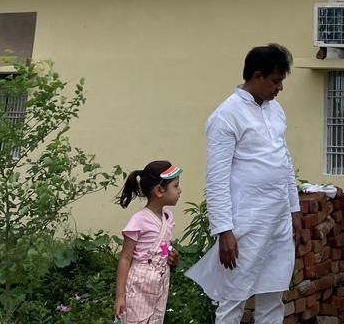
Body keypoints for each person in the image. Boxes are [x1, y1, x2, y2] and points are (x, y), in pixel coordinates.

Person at [187, 44, 304, 324]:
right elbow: (216, 179)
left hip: (277, 221)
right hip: (244, 223)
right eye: (276, 81)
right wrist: (224, 230)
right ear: (257, 76)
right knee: (232, 297)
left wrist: (294, 209)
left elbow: (283, 162)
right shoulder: (226, 116)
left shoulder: (276, 111)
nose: (280, 88)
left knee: (273, 295)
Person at [115, 161, 183, 324]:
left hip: (161, 280)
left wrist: (172, 257)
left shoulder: (168, 218)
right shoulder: (139, 221)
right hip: (140, 283)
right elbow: (125, 258)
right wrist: (120, 297)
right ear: (160, 190)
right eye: (176, 186)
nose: (180, 190)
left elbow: (163, 245)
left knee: (156, 320)